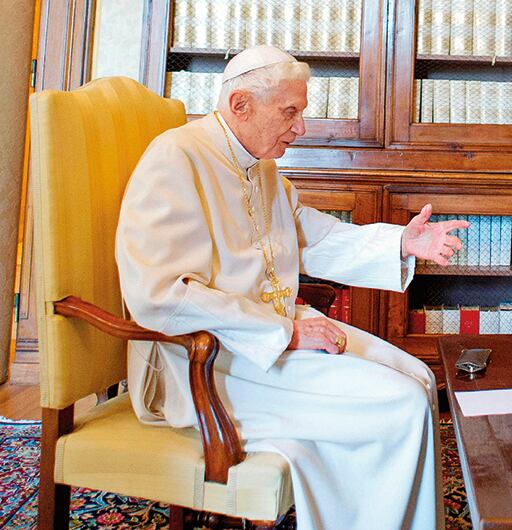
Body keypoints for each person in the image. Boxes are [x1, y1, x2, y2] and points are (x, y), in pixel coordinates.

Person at [115, 45, 468, 530]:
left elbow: (305, 234)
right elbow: (159, 295)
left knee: (420, 379)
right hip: (208, 359)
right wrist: (286, 335)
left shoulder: (257, 163)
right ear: (241, 105)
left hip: (268, 338)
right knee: (399, 404)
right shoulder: (174, 159)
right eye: (291, 112)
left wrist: (401, 243)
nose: (300, 127)